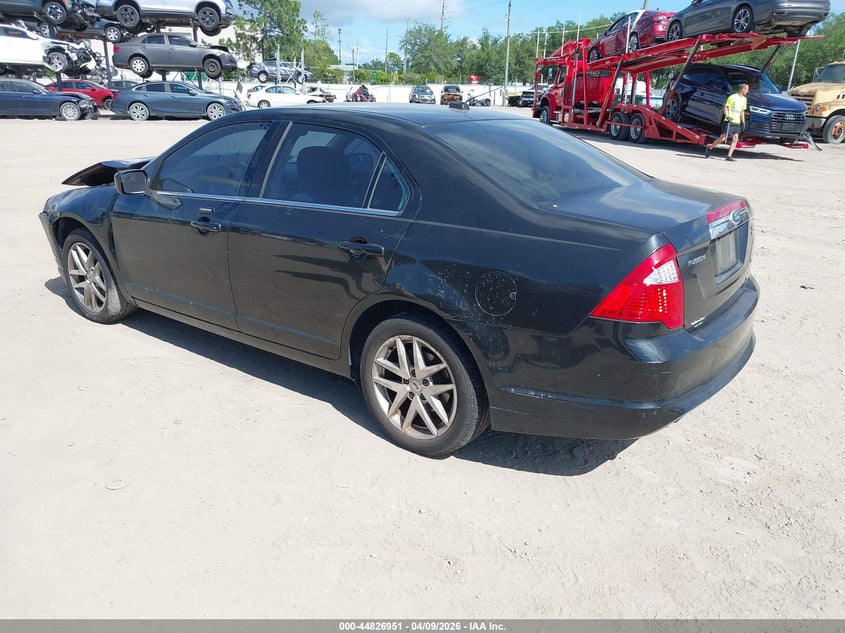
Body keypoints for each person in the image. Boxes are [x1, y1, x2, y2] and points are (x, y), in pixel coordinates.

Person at [704, 83, 749, 161]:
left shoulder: (744, 99)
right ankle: (710, 147)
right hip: (729, 121)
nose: (747, 91)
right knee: (723, 138)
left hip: (737, 122)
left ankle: (729, 156)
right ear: (742, 89)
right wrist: (727, 116)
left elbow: (742, 111)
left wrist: (743, 122)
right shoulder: (732, 97)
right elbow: (725, 108)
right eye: (746, 89)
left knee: (735, 138)